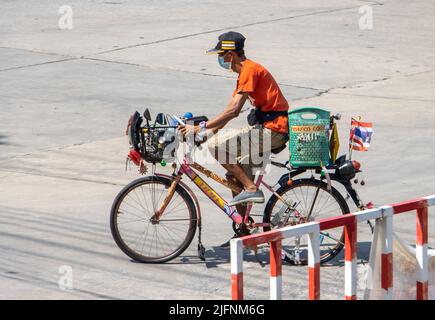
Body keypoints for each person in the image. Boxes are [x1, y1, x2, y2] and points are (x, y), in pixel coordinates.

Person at [179, 31, 289, 243]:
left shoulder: (250, 70)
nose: (220, 59)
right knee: (232, 178)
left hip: (274, 130)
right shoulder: (244, 74)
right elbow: (229, 111)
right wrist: (207, 132)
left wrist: (199, 128)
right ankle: (244, 228)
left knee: (218, 149)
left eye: (222, 54)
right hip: (267, 128)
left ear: (231, 54)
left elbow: (233, 111)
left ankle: (250, 188)